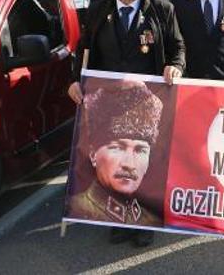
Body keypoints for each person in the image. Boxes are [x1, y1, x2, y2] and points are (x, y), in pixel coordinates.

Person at [68, 0, 185, 247]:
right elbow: (83, 51)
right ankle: (118, 220)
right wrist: (75, 80)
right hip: (108, 101)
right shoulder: (98, 11)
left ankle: (144, 222)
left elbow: (177, 47)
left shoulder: (162, 9)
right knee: (114, 164)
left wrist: (175, 67)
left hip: (150, 101)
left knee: (145, 164)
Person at [69, 82, 164, 229]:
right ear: (93, 154)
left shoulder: (152, 217)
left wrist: (177, 68)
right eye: (118, 148)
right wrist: (74, 80)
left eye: (140, 150)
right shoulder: (77, 208)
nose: (129, 164)